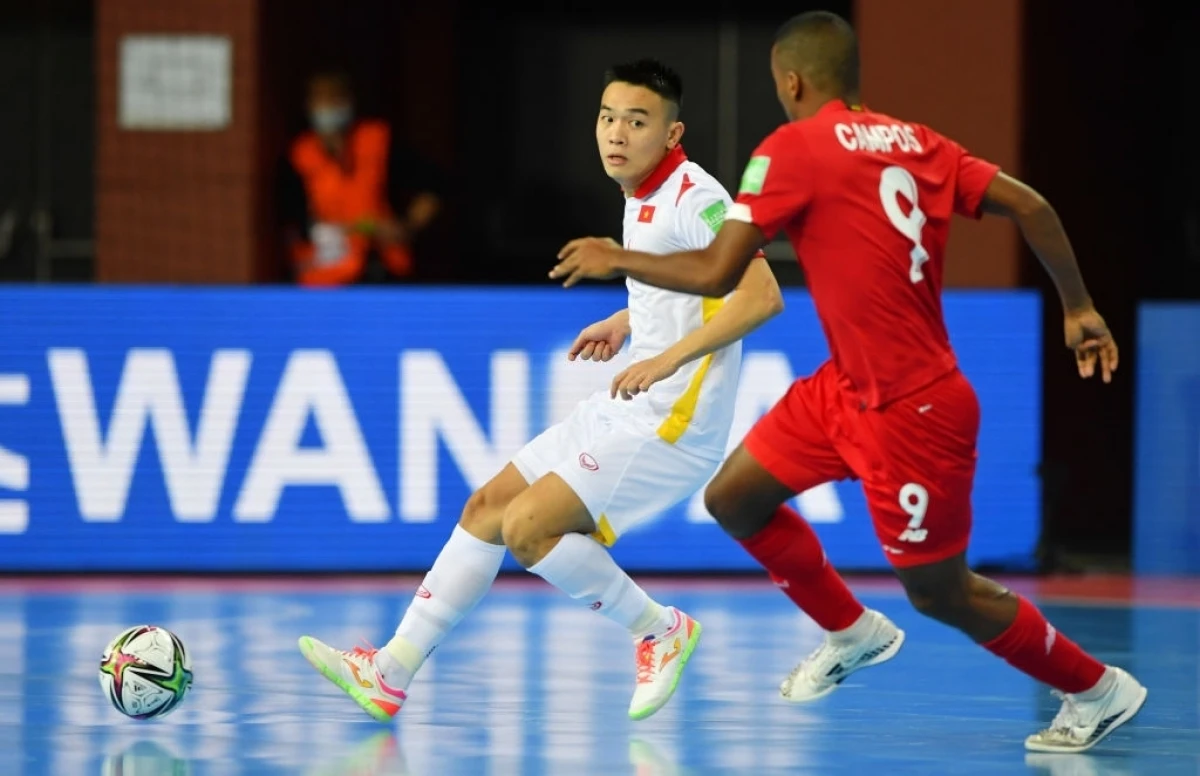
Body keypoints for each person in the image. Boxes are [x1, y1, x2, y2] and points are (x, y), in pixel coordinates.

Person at [551, 11, 1145, 755]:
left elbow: (718, 272)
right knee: (735, 498)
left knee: (940, 592)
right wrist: (1079, 307)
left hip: (913, 407)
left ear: (791, 81)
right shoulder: (920, 143)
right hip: (843, 388)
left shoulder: (791, 148)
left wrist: (617, 257)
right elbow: (1031, 204)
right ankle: (851, 630)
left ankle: (1095, 687)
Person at [298, 58, 785, 723]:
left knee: (528, 529)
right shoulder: (640, 193)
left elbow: (761, 297)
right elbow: (695, 285)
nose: (616, 133)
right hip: (630, 405)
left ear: (672, 134)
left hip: (674, 423)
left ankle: (660, 630)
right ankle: (390, 672)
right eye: (607, 117)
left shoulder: (696, 197)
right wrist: (629, 319)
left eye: (636, 121)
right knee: (488, 506)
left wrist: (665, 358)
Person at [276, 69, 444, 286]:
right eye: (321, 98)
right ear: (309, 105)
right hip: (324, 275)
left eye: (336, 97)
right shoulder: (298, 156)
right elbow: (292, 221)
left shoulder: (377, 142)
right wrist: (333, 231)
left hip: (382, 270)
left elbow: (433, 185)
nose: (329, 106)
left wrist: (407, 226)